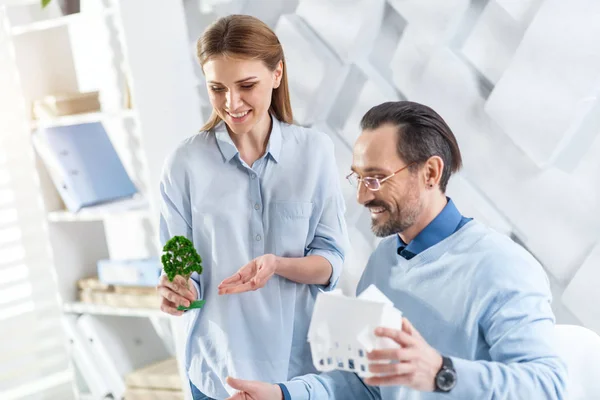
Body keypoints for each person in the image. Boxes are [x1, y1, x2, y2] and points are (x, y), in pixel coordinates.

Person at [223, 101, 567, 400]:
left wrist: (440, 372)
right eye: (358, 178)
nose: (361, 196)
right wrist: (284, 394)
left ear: (430, 172)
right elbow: (367, 386)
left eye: (376, 178)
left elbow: (547, 387)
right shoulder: (382, 262)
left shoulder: (502, 266)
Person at [156, 15, 348, 400]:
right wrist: (176, 291)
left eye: (246, 85)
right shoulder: (184, 164)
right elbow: (181, 269)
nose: (232, 103)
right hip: (217, 372)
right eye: (217, 88)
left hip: (297, 373)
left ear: (277, 74)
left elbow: (331, 263)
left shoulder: (315, 153)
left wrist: (277, 265)